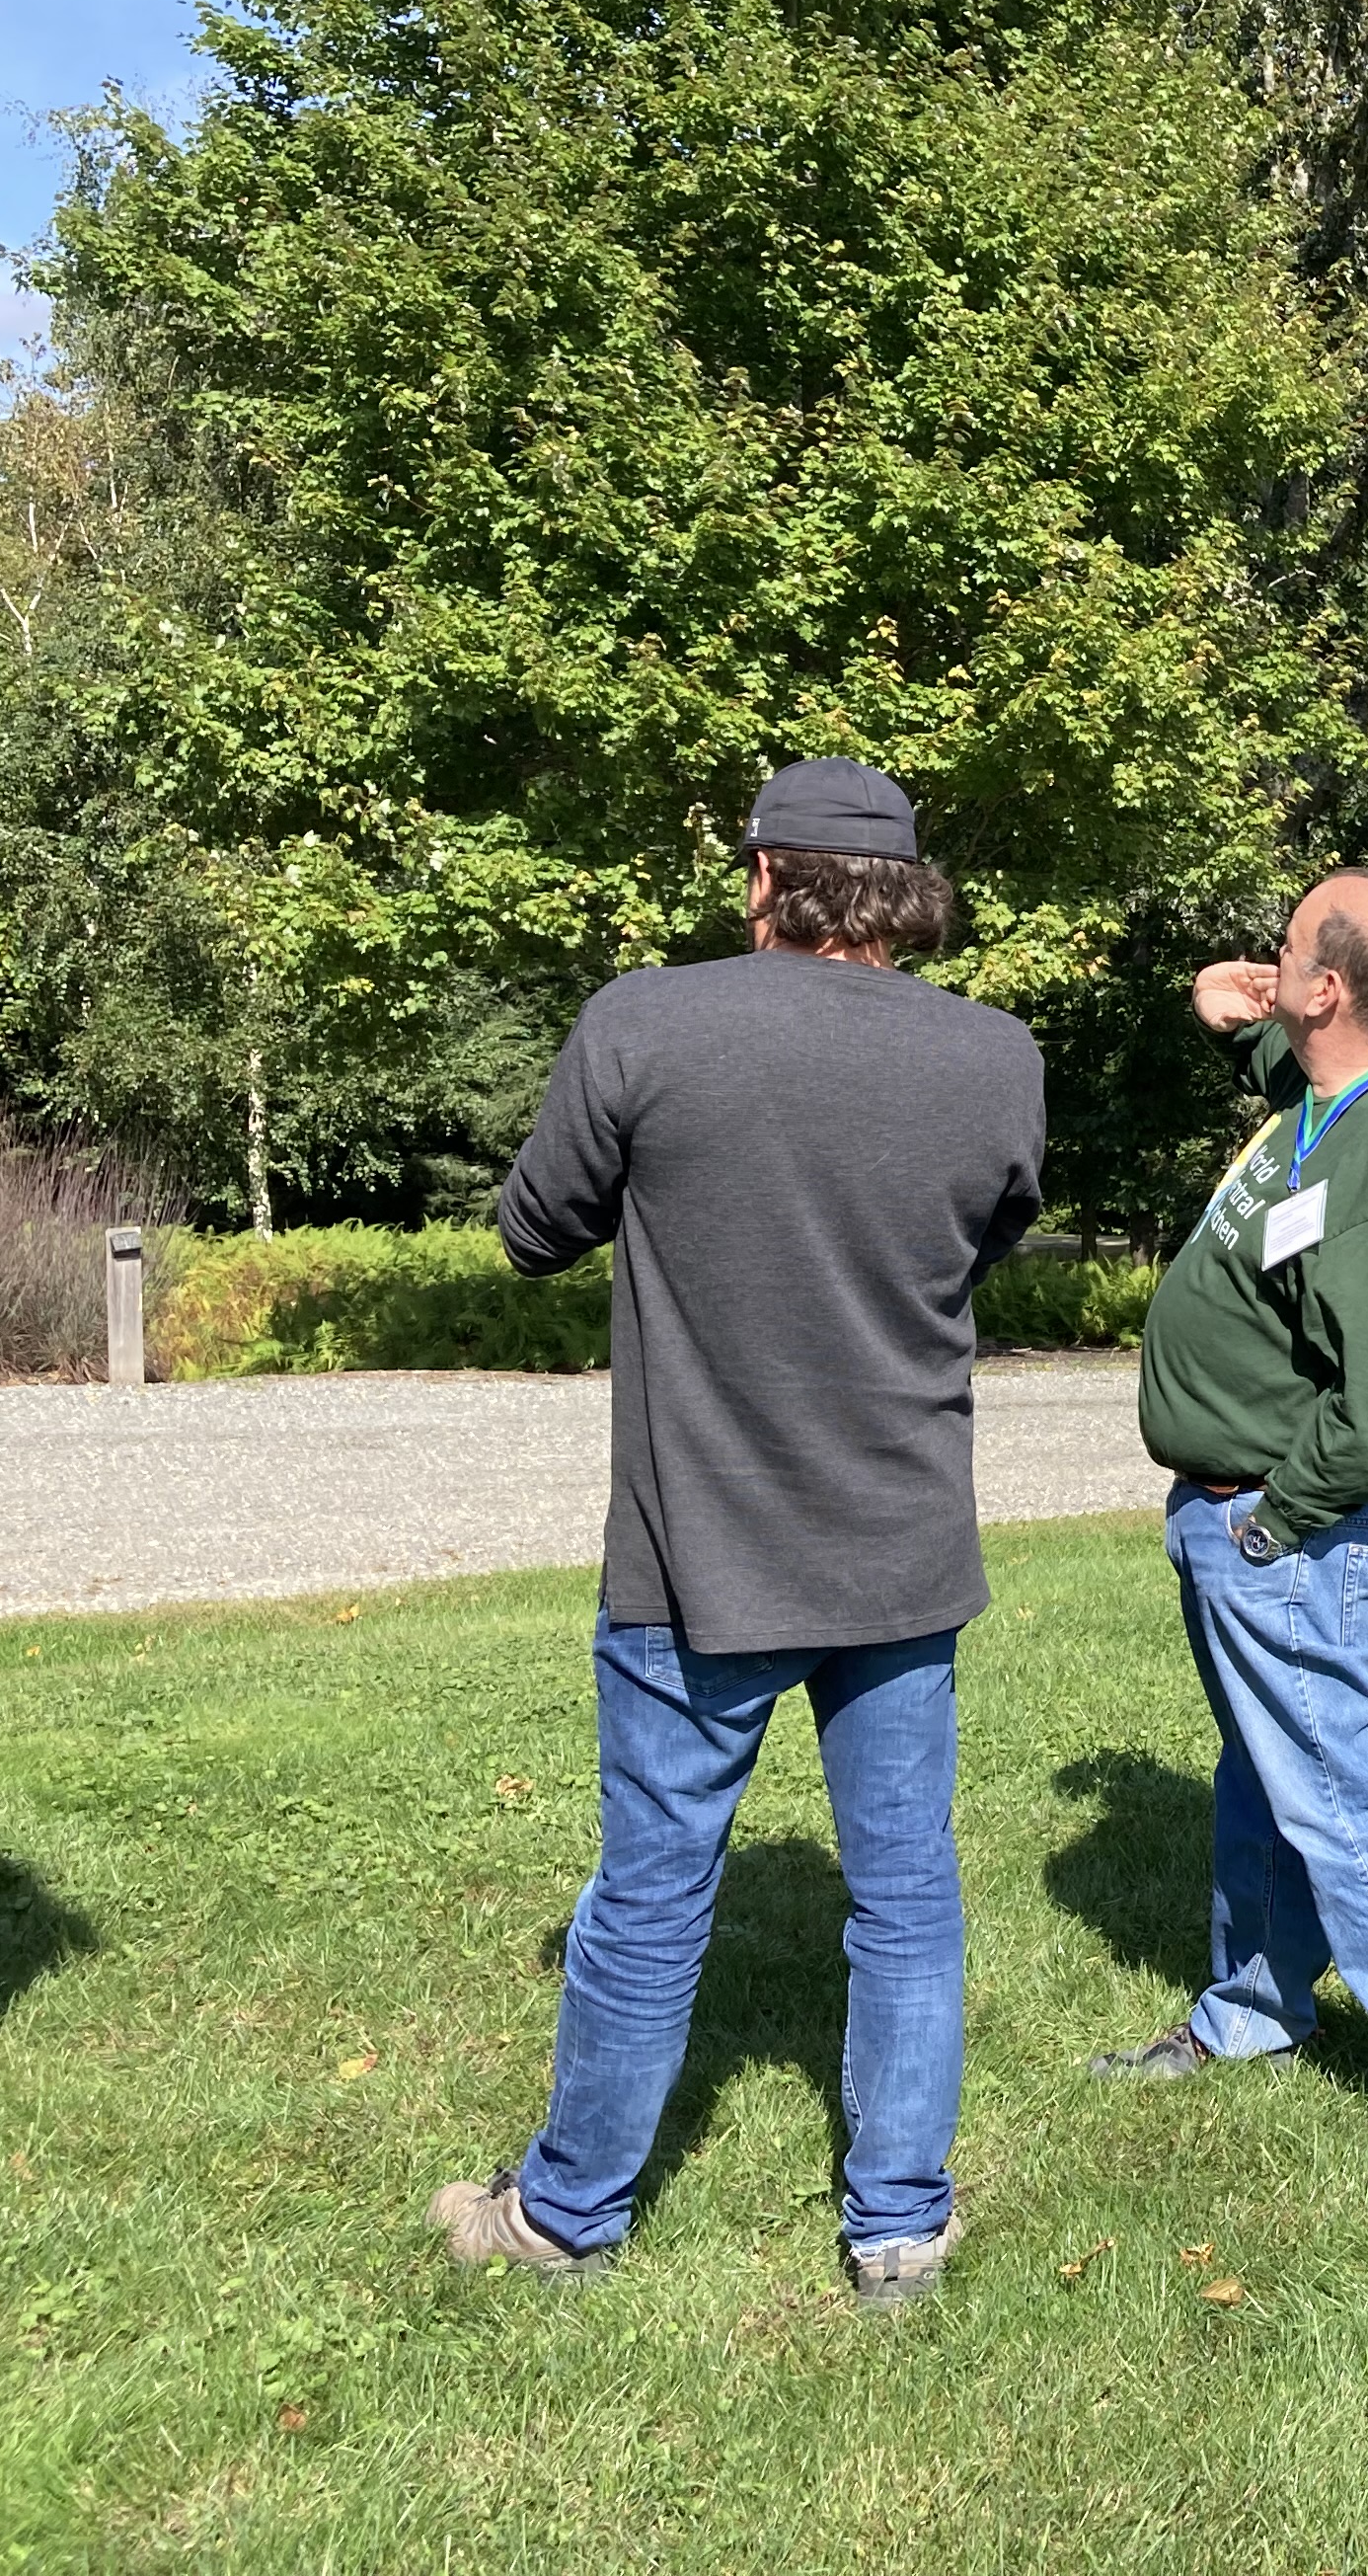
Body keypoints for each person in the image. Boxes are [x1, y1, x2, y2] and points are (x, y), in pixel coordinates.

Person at [433, 757, 1044, 2304]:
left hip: (691, 1553)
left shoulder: (647, 1020)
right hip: (899, 1543)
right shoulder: (997, 1054)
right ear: (901, 892)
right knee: (905, 1889)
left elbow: (529, 1231)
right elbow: (996, 1234)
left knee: (652, 1886)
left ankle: (568, 2217)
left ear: (765, 876)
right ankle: (897, 2223)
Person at [1090, 871, 1368, 2159]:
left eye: (1286, 954)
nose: (1262, 962)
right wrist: (1241, 1023)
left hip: (1299, 1531)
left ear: (1333, 988)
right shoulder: (1343, 1089)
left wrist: (1268, 1526)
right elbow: (1302, 1109)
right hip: (1252, 1520)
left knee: (1333, 1786)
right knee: (1267, 1778)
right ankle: (1257, 2009)